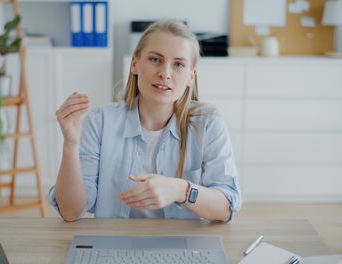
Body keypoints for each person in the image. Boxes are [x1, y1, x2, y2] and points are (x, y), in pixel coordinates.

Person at [49, 20, 241, 222]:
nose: (165, 74)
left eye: (178, 64)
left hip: (181, 247)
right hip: (113, 243)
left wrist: (180, 190)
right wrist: (70, 145)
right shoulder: (100, 121)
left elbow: (226, 208)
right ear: (134, 64)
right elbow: (71, 211)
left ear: (191, 77)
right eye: (155, 59)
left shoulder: (208, 122)